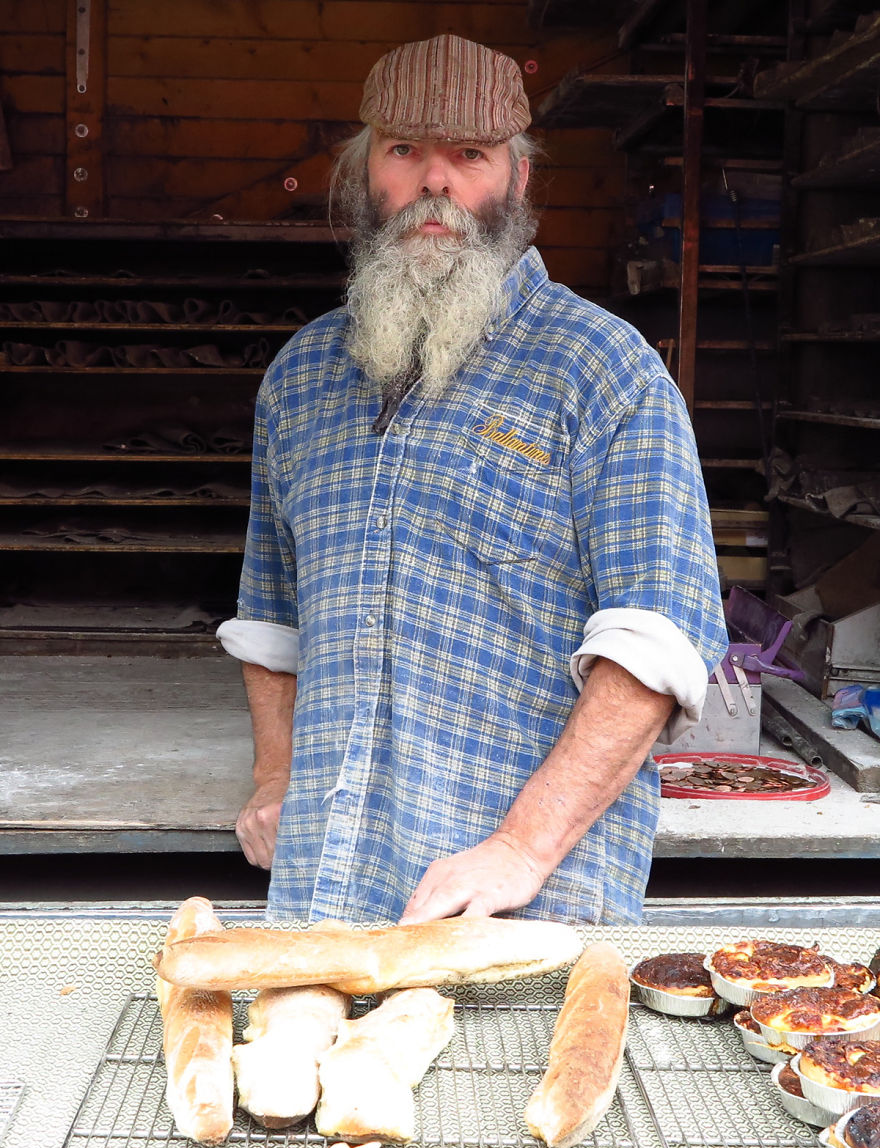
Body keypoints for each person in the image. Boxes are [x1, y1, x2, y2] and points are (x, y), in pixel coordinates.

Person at [217, 33, 728, 926]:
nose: (435, 182)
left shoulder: (603, 372)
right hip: (324, 896)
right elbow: (272, 617)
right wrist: (274, 773)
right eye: (403, 150)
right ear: (364, 172)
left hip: (521, 913)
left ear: (517, 179)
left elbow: (659, 642)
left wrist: (522, 847)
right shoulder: (301, 379)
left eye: (469, 155)